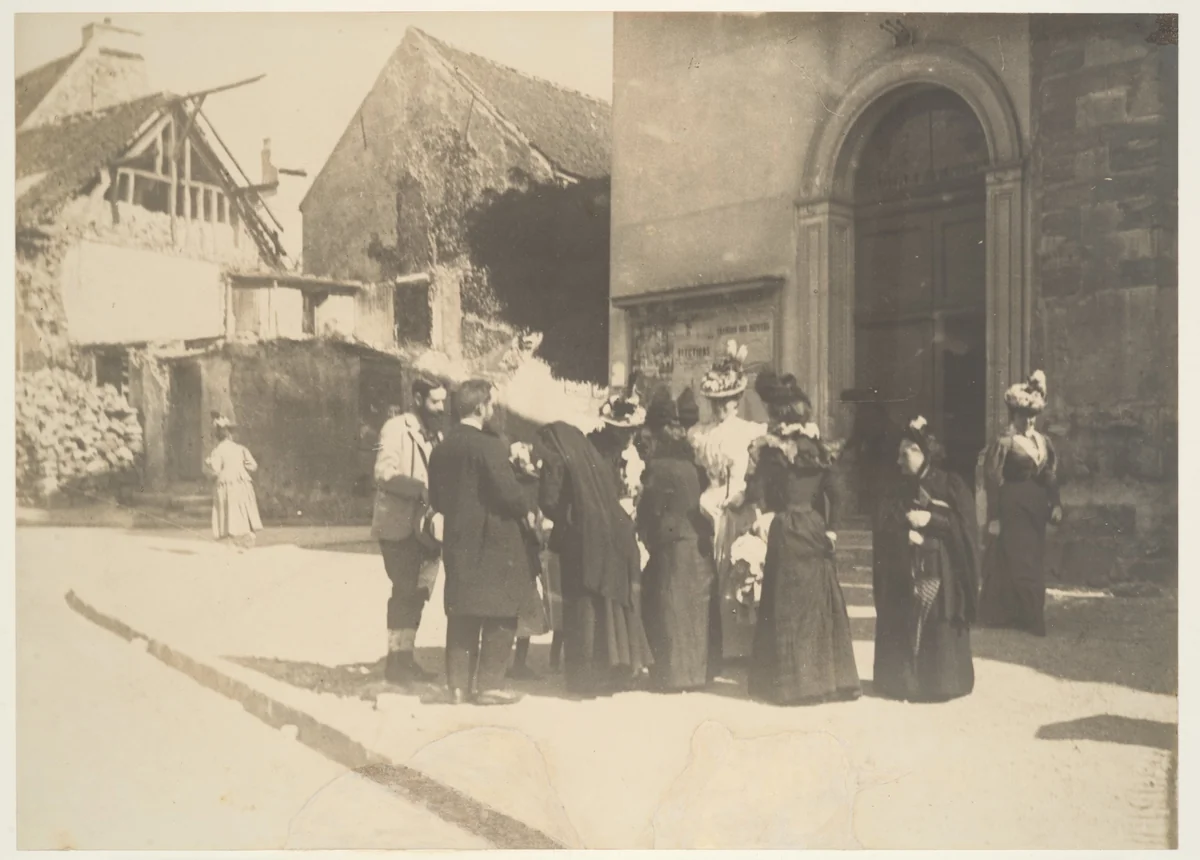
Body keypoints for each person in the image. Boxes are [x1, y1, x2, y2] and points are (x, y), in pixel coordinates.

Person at [744, 372, 860, 705]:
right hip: (813, 527)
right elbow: (837, 494)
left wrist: (761, 501)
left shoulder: (770, 453)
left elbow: (756, 493)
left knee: (785, 605)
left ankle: (791, 684)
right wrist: (832, 529)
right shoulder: (817, 449)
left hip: (785, 529)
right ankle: (822, 680)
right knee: (816, 606)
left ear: (778, 416)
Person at [427, 379, 533, 706]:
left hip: (459, 541)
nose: (494, 410)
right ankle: (489, 686)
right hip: (495, 542)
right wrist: (525, 489)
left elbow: (438, 499)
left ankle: (457, 688)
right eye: (491, 405)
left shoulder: (442, 448)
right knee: (501, 613)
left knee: (462, 612)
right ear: (480, 407)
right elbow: (510, 496)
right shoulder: (490, 446)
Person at [537, 419, 653, 698]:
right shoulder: (589, 457)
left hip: (581, 539)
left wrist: (563, 521)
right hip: (611, 536)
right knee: (602, 607)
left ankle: (583, 679)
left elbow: (549, 500)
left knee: (581, 608)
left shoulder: (557, 459)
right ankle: (607, 674)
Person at [873, 416, 980, 702]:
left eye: (903, 453)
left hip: (940, 569)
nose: (898, 461)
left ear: (921, 452)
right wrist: (902, 535)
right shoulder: (895, 488)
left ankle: (941, 682)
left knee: (936, 620)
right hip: (905, 569)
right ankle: (905, 682)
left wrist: (931, 519)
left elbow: (964, 528)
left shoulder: (950, 485)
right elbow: (883, 527)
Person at [688, 340, 767, 669]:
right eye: (716, 402)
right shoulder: (699, 433)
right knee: (714, 571)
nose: (722, 408)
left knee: (739, 570)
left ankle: (740, 646)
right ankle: (717, 643)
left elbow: (755, 469)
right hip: (711, 501)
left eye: (728, 402)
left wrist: (744, 494)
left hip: (738, 506)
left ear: (738, 401)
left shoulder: (748, 431)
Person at [370, 377, 447, 686]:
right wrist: (421, 489)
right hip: (399, 526)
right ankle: (395, 662)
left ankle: (406, 657)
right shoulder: (396, 428)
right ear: (417, 399)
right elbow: (383, 473)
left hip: (425, 530)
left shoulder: (436, 434)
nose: (441, 408)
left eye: (443, 402)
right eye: (434, 402)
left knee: (418, 594)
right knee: (403, 592)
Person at [637, 392, 713, 692]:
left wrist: (642, 527)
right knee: (692, 612)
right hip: (695, 542)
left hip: (671, 544)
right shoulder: (691, 465)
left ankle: (670, 676)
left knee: (667, 608)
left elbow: (651, 510)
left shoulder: (659, 468)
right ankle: (695, 675)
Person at [978, 371, 1063, 637]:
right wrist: (994, 517)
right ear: (1013, 416)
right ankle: (1034, 617)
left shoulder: (1042, 442)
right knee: (1021, 561)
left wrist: (1056, 503)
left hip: (1036, 510)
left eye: (1032, 416)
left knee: (1032, 560)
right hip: (1013, 508)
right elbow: (993, 480)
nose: (1028, 421)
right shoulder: (1005, 443)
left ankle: (1013, 613)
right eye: (1023, 416)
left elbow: (1049, 474)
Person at [205, 415, 263, 551]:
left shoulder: (218, 450)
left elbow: (216, 469)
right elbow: (253, 465)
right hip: (242, 482)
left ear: (217, 436)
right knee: (243, 507)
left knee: (230, 510)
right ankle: (247, 536)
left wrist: (208, 463)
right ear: (230, 434)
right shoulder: (240, 448)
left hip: (227, 483)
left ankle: (233, 540)